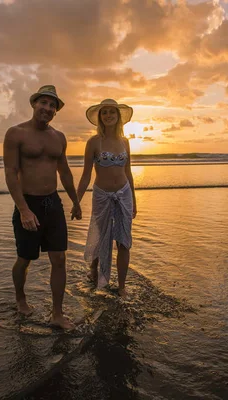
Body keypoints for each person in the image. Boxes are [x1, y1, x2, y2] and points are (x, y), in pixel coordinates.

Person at [3, 85, 82, 330]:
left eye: (52, 106)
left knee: (59, 258)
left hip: (52, 203)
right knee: (25, 259)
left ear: (56, 112)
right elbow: (11, 173)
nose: (47, 108)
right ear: (34, 104)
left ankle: (57, 314)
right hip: (29, 202)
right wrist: (24, 209)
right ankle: (20, 298)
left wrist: (75, 201)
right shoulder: (16, 134)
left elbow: (65, 172)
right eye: (44, 103)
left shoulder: (58, 137)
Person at [77, 99, 137, 298]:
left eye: (112, 112)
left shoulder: (125, 141)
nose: (109, 115)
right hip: (102, 195)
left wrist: (134, 200)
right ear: (100, 117)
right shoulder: (94, 142)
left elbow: (128, 172)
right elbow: (86, 174)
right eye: (105, 113)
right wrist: (76, 200)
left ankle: (121, 286)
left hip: (124, 194)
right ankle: (94, 269)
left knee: (123, 240)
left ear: (118, 116)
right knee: (101, 235)